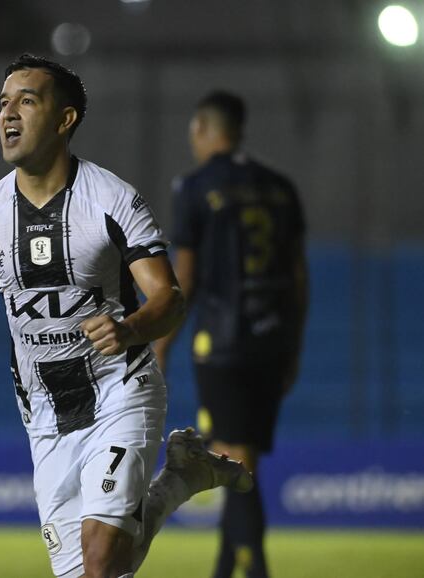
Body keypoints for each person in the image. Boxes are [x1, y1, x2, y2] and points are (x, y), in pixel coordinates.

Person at [0, 55, 251, 578]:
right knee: (96, 572)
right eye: (3, 103)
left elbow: (168, 297)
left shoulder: (111, 200)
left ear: (65, 120)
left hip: (119, 389)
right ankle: (181, 478)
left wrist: (129, 329)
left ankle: (177, 478)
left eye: (27, 101)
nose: (9, 113)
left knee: (101, 560)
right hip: (47, 413)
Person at [154, 91, 309, 578]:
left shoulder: (196, 186)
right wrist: (293, 349)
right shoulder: (280, 187)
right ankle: (226, 566)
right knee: (238, 456)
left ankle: (256, 567)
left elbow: (188, 280)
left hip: (222, 342)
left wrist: (160, 345)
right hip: (273, 340)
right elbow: (299, 277)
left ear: (202, 128)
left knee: (233, 460)